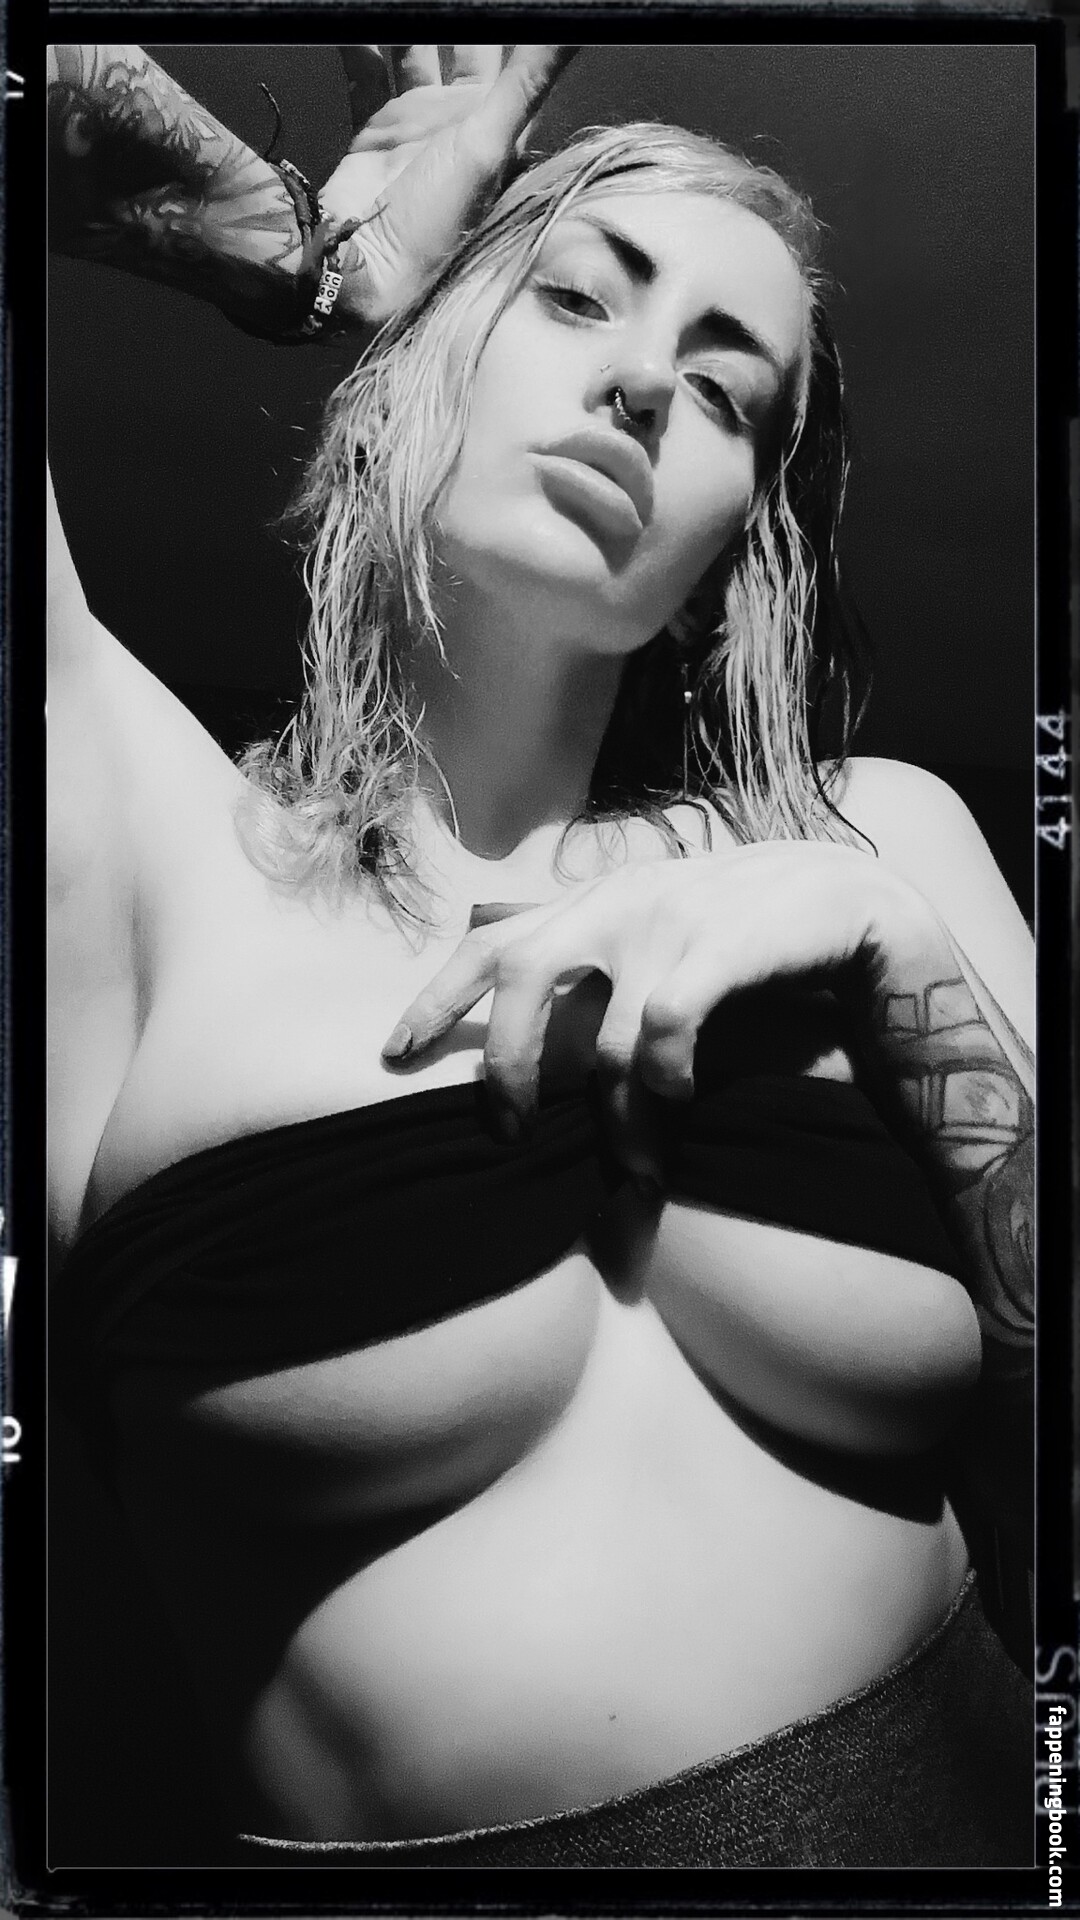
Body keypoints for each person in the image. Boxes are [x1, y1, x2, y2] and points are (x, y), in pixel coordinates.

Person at [46, 43, 1034, 1868]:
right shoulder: (132, 835)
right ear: (412, 368)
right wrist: (284, 249)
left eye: (727, 390)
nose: (648, 379)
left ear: (728, 553)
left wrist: (898, 958)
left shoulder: (881, 843)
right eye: (577, 295)